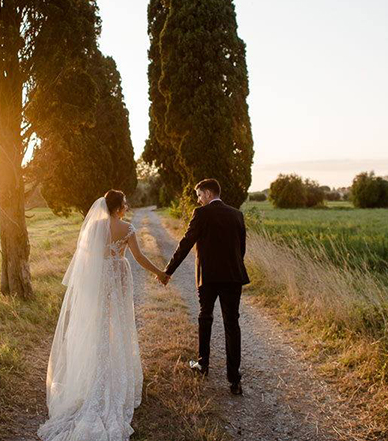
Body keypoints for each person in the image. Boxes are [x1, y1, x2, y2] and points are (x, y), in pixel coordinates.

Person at [38, 190, 168, 441]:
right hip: (117, 275)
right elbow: (139, 257)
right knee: (117, 323)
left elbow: (84, 258)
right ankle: (112, 373)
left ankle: (94, 372)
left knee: (98, 324)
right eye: (125, 204)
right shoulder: (127, 228)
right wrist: (159, 273)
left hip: (98, 279)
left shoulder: (94, 226)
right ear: (118, 207)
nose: (127, 207)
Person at [161, 178, 250, 396]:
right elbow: (241, 249)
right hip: (233, 277)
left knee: (205, 317)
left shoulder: (201, 214)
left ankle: (203, 364)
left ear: (208, 193)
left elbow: (185, 243)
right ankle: (234, 379)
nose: (198, 200)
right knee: (232, 324)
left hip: (208, 278)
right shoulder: (237, 214)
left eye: (200, 195)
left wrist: (168, 271)